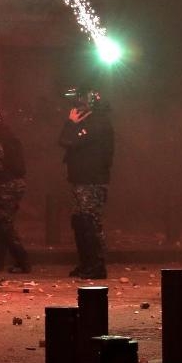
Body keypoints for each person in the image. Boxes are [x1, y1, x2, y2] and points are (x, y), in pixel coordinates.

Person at [59, 86, 114, 280]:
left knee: (90, 223)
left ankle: (96, 266)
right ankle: (86, 263)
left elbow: (67, 141)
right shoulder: (92, 122)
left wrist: (70, 124)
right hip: (81, 180)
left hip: (91, 181)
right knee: (81, 223)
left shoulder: (97, 123)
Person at [0, 106, 30, 273]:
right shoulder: (9, 135)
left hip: (7, 184)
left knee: (4, 223)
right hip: (14, 183)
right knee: (2, 222)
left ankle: (23, 260)